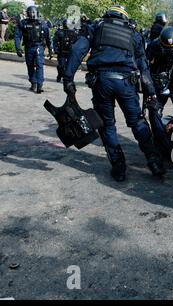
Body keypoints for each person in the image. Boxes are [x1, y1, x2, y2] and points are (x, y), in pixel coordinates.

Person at [63, 5, 166, 181]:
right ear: (124, 17)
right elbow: (142, 65)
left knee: (107, 124)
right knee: (137, 122)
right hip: (126, 82)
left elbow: (76, 50)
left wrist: (68, 78)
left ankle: (119, 168)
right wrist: (150, 91)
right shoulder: (133, 32)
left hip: (102, 82)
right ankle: (154, 161)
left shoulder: (96, 26)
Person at [14, 6, 52, 94]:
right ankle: (33, 83)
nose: (32, 14)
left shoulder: (42, 23)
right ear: (27, 13)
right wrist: (18, 48)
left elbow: (48, 38)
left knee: (39, 65)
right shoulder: (23, 23)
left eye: (33, 12)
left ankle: (39, 85)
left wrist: (50, 50)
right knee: (30, 65)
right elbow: (17, 36)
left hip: (39, 46)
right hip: (29, 47)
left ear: (37, 13)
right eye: (31, 13)